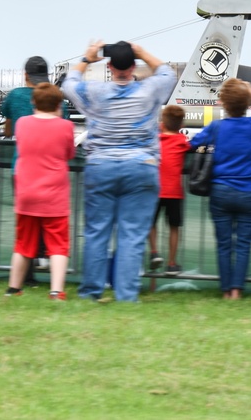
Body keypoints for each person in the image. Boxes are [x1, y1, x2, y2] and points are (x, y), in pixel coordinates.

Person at [62, 40, 176, 303]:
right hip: (141, 166)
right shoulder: (150, 91)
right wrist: (143, 52)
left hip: (101, 166)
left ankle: (92, 291)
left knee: (96, 231)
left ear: (110, 66)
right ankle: (126, 295)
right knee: (132, 234)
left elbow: (69, 84)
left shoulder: (95, 92)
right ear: (133, 65)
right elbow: (167, 73)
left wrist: (88, 58)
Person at [190, 79, 251, 299]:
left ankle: (226, 289)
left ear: (223, 103)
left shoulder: (216, 127)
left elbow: (191, 144)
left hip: (221, 191)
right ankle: (237, 290)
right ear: (246, 104)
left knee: (224, 244)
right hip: (250, 192)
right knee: (243, 244)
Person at [4, 82, 75, 300]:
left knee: (23, 244)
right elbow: (69, 154)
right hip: (54, 195)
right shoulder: (65, 127)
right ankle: (55, 290)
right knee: (58, 245)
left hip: (26, 192)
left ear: (33, 102)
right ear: (58, 104)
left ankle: (13, 289)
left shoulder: (23, 124)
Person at [148, 104, 190, 276]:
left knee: (150, 223)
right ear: (181, 126)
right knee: (174, 227)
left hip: (155, 190)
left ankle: (154, 253)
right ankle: (172, 263)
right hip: (174, 192)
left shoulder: (155, 140)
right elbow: (191, 145)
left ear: (162, 123)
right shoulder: (182, 142)